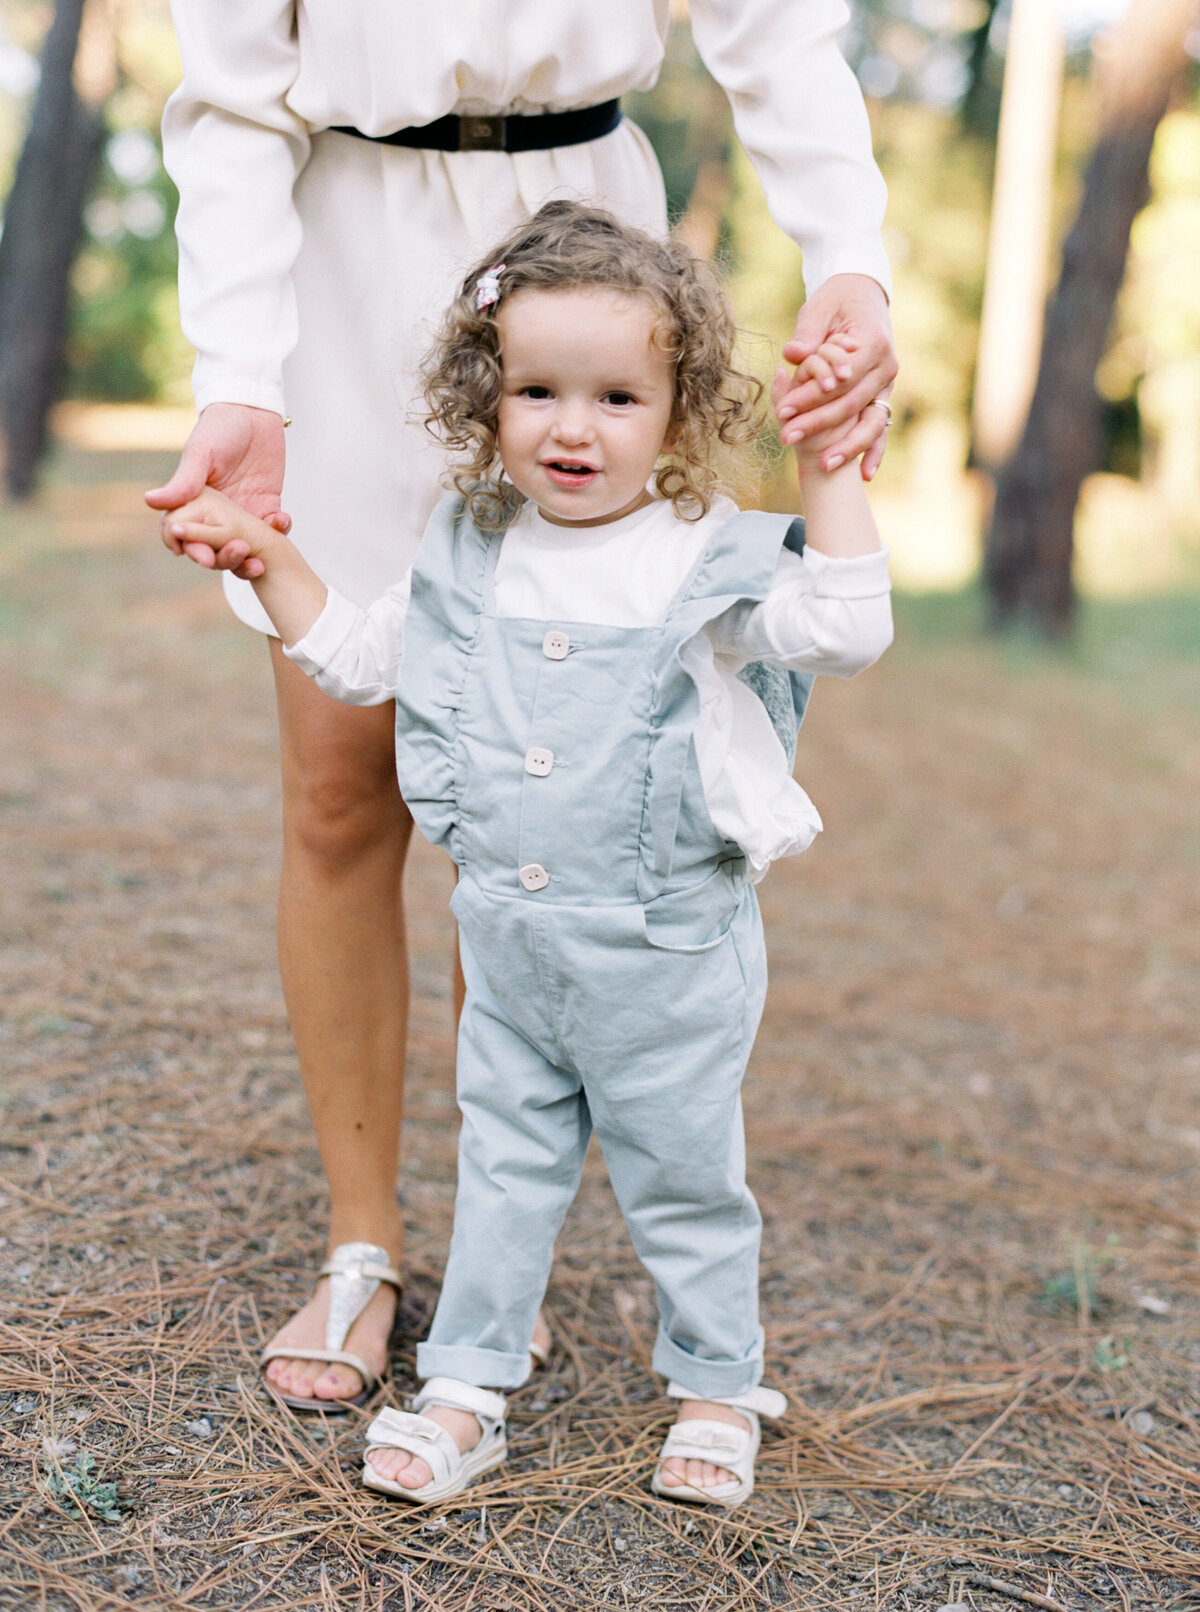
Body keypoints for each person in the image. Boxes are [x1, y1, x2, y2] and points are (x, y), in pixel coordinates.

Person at [146, 0, 898, 1414]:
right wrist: (240, 373)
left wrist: (849, 259)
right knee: (338, 783)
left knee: (552, 780)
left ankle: (510, 1245)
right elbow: (233, 95)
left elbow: (779, 33)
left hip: (586, 256)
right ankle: (362, 1242)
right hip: (345, 269)